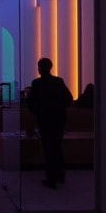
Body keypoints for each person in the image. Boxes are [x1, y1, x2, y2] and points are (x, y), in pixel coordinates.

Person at [26, 58, 73, 189]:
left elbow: (30, 103)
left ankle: (51, 179)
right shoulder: (59, 81)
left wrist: (38, 111)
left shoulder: (37, 83)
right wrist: (59, 108)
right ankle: (61, 175)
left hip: (45, 120)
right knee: (57, 146)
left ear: (40, 69)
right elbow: (69, 99)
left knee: (48, 148)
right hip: (59, 119)